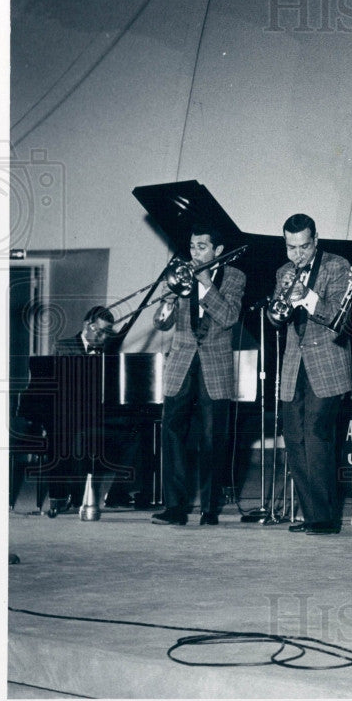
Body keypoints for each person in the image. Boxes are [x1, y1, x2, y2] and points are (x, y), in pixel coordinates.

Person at [152, 222, 245, 526]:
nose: (195, 253)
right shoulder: (180, 276)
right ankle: (175, 508)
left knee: (211, 438)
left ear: (218, 250)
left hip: (214, 365)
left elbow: (229, 316)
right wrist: (166, 302)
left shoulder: (233, 277)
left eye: (202, 247)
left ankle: (210, 508)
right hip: (181, 361)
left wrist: (206, 283)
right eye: (192, 247)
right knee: (172, 433)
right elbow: (162, 324)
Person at [271, 213, 352, 535]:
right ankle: (312, 514)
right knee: (294, 439)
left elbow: (340, 318)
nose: (297, 255)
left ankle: (325, 518)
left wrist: (306, 297)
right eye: (291, 248)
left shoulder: (337, 266)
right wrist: (277, 312)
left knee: (317, 437)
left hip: (327, 364)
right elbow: (278, 321)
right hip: (294, 366)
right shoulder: (283, 272)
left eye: (303, 247)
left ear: (315, 241)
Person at [44, 306, 117, 512]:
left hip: (95, 413)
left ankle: (111, 494)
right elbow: (54, 385)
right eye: (100, 332)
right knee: (63, 437)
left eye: (107, 333)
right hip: (66, 412)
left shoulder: (107, 351)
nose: (103, 338)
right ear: (88, 326)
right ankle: (62, 497)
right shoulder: (63, 346)